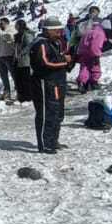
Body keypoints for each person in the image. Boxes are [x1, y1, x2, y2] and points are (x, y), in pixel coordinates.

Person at [29, 18, 70, 154]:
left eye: (60, 30)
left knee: (57, 113)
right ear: (47, 30)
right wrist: (64, 61)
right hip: (45, 83)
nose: (59, 33)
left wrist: (67, 60)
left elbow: (55, 59)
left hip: (57, 83)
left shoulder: (55, 42)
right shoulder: (40, 44)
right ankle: (45, 143)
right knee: (46, 113)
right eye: (56, 30)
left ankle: (53, 140)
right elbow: (45, 63)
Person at [75, 13, 107, 92]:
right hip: (92, 53)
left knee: (85, 67)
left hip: (83, 52)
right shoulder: (99, 32)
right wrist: (96, 55)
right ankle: (93, 82)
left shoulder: (88, 30)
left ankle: (82, 81)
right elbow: (95, 45)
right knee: (95, 68)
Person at [0, 17, 16, 101]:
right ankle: (6, 92)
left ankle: (19, 92)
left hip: (9, 56)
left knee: (14, 75)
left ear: (6, 23)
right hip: (1, 56)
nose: (0, 25)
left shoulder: (11, 29)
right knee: (3, 76)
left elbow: (10, 37)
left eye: (1, 23)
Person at [12, 19, 36, 104]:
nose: (15, 27)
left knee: (26, 80)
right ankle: (21, 97)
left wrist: (21, 53)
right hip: (18, 61)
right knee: (19, 80)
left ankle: (28, 97)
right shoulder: (18, 35)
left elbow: (30, 45)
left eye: (16, 25)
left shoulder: (27, 35)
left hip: (25, 61)